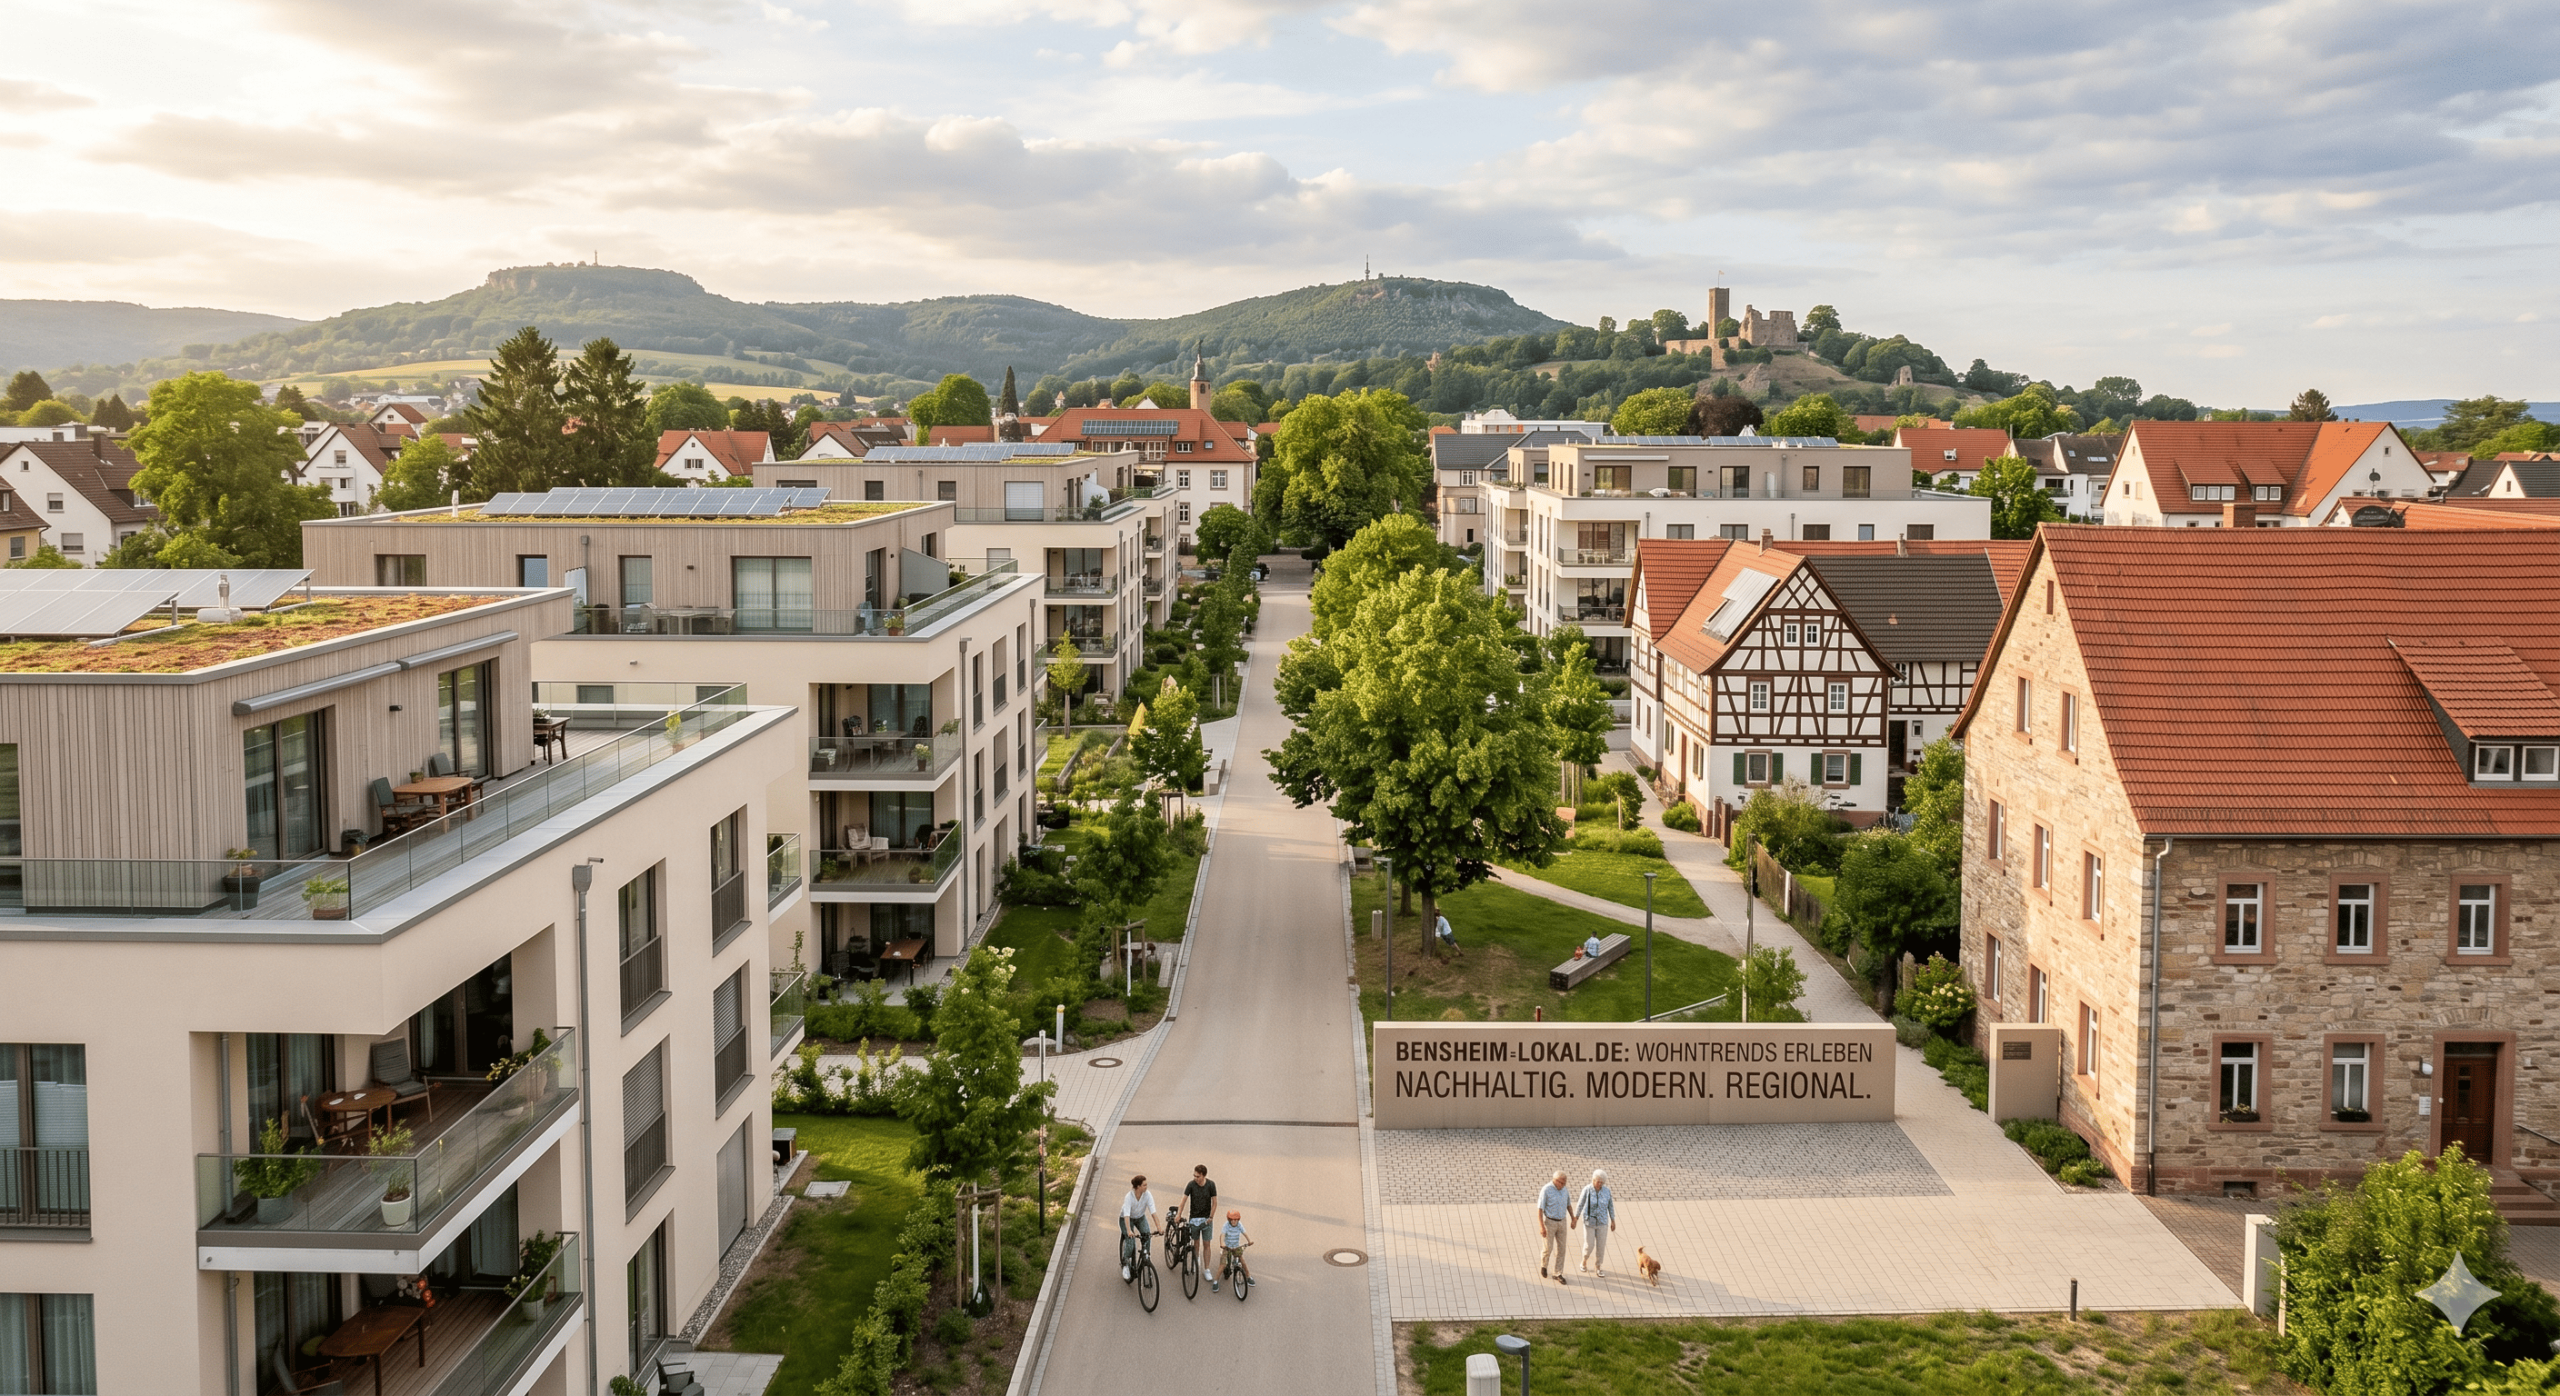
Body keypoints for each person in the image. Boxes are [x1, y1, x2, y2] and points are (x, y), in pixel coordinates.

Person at [1535, 1169, 1573, 1284]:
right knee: (1548, 1248)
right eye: (1560, 1182)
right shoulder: (1546, 1190)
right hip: (1550, 1222)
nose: (1562, 1185)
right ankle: (1544, 1265)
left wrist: (1573, 1218)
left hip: (1562, 1222)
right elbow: (1540, 1209)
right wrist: (1541, 1226)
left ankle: (1558, 1273)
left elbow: (1568, 1204)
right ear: (1555, 1180)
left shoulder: (1565, 1190)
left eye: (1564, 1183)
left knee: (1562, 1249)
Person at [1119, 1174, 1159, 1282]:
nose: (1146, 1187)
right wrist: (1129, 1231)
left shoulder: (1147, 1195)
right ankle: (1126, 1264)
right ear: (1138, 1187)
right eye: (1144, 1185)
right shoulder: (1129, 1197)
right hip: (1126, 1219)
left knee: (1147, 1235)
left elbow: (1153, 1212)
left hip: (1140, 1217)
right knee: (1131, 1242)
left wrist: (1159, 1228)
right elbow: (1126, 1215)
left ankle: (1146, 1258)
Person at [1577, 1169, 1616, 1276]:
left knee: (1601, 1246)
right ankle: (1584, 1261)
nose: (1599, 1184)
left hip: (1602, 1222)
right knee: (1589, 1245)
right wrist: (1575, 1217)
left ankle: (1598, 1266)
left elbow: (1610, 1206)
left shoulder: (1607, 1191)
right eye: (1598, 1181)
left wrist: (1613, 1220)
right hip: (1589, 1222)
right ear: (1593, 1180)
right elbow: (1580, 1204)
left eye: (1601, 1182)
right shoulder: (1587, 1190)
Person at [1182, 1165, 1218, 1281]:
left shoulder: (1211, 1185)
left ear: (1203, 1175)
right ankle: (1196, 1261)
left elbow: (1215, 1202)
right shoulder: (1191, 1185)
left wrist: (1211, 1217)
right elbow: (1183, 1200)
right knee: (1196, 1243)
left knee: (1207, 1245)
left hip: (1206, 1220)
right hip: (1194, 1219)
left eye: (1197, 1176)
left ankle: (1206, 1269)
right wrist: (1178, 1214)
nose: (1195, 1178)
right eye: (1194, 1176)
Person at [1218, 1208, 1254, 1290]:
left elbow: (1244, 1233)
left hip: (1236, 1246)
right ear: (1229, 1220)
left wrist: (1249, 1240)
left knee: (1242, 1260)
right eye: (1232, 1219)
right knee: (1224, 1263)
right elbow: (1222, 1235)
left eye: (1236, 1219)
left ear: (1238, 1220)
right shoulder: (1226, 1225)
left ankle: (1248, 1276)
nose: (1234, 1221)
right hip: (1227, 1246)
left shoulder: (1239, 1225)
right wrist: (1222, 1244)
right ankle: (1216, 1281)